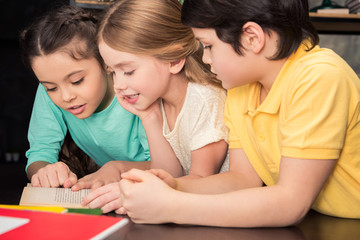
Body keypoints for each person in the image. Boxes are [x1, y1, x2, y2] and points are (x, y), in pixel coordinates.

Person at [116, 0, 360, 227]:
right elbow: (242, 179)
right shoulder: (242, 87)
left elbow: (291, 202)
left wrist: (171, 206)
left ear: (251, 38)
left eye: (209, 45)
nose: (205, 57)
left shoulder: (318, 77)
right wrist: (175, 186)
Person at [81, 0, 229, 213]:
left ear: (174, 60)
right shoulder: (158, 100)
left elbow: (201, 180)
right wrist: (148, 117)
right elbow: (170, 173)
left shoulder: (203, 100)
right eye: (113, 72)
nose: (119, 85)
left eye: (129, 71)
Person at [19, 5, 151, 189]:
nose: (65, 97)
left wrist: (116, 169)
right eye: (51, 87)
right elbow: (40, 152)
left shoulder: (135, 91)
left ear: (106, 63)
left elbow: (170, 167)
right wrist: (46, 172)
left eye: (77, 81)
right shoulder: (50, 90)